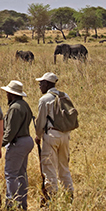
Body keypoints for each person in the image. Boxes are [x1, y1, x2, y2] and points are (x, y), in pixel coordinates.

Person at [35, 72, 74, 201]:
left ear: (46, 84)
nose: (40, 86)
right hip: (65, 135)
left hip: (51, 135)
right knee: (64, 167)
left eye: (41, 83)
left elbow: (40, 122)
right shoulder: (64, 96)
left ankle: (51, 197)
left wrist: (38, 136)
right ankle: (69, 195)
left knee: (49, 166)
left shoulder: (45, 99)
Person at [1, 80, 34, 210]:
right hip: (26, 140)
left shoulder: (14, 108)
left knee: (11, 174)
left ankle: (11, 203)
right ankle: (22, 203)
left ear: (11, 94)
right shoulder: (24, 105)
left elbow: (10, 131)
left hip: (18, 142)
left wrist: (1, 144)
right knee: (21, 174)